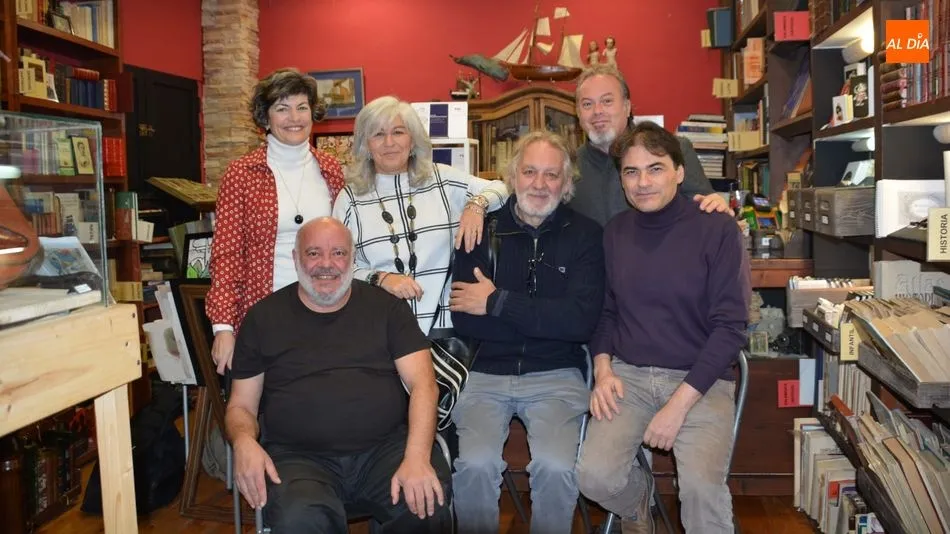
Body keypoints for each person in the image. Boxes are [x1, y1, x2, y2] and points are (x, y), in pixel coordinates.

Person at [574, 122, 750, 534]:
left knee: (702, 495)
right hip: (630, 378)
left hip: (701, 380)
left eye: (655, 169)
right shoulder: (616, 233)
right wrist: (603, 370)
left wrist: (677, 407)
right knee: (594, 478)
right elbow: (607, 312)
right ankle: (639, 502)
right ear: (621, 179)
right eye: (631, 172)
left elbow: (730, 328)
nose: (643, 182)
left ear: (679, 172)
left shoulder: (717, 228)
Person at [225, 217, 452, 534]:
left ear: (353, 258)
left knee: (425, 506)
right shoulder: (263, 318)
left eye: (338, 253)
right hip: (298, 459)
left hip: (385, 450)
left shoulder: (387, 309)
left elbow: (424, 385)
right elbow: (241, 406)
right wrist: (243, 441)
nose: (326, 264)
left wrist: (417, 457)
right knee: (300, 520)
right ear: (296, 258)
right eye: (313, 253)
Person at [448, 130, 604, 534]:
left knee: (555, 468)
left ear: (566, 184)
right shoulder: (479, 231)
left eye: (551, 174)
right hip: (484, 373)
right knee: (475, 465)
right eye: (529, 171)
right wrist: (546, 318)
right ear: (512, 176)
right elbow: (466, 319)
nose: (539, 184)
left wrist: (496, 301)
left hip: (557, 375)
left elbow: (580, 323)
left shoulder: (587, 236)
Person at [207, 67, 346, 375]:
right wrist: (223, 327)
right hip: (263, 312)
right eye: (282, 108)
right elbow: (227, 253)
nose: (294, 118)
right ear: (265, 117)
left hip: (325, 309)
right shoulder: (241, 174)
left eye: (302, 107)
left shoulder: (331, 169)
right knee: (268, 397)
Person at [332, 95, 510, 335]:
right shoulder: (350, 199)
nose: (389, 142)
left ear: (413, 139)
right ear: (366, 145)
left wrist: (476, 205)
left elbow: (503, 189)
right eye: (378, 134)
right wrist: (380, 278)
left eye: (398, 132)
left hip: (444, 333)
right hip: (381, 331)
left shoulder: (443, 180)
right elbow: (336, 266)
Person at [569, 64, 729, 227]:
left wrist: (716, 206)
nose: (597, 111)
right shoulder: (568, 166)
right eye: (587, 104)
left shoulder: (673, 150)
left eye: (607, 101)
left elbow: (706, 212)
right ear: (578, 113)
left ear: (627, 107)